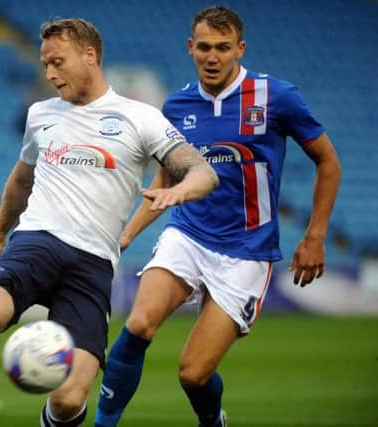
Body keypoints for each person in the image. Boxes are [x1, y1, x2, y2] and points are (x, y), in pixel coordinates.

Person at [0, 18, 219, 425]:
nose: (49, 73)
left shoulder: (140, 117)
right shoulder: (40, 114)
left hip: (93, 264)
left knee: (69, 397)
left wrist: (179, 191)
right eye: (45, 64)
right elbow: (21, 179)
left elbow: (203, 172)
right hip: (37, 240)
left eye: (57, 62)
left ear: (90, 56)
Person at [94, 5, 341, 427]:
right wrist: (123, 237)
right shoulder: (178, 105)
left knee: (193, 374)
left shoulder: (276, 97)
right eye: (204, 47)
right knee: (138, 324)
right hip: (188, 234)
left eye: (223, 48)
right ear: (190, 48)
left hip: (247, 251)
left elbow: (328, 163)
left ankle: (212, 421)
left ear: (239, 49)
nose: (213, 56)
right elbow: (166, 185)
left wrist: (315, 236)